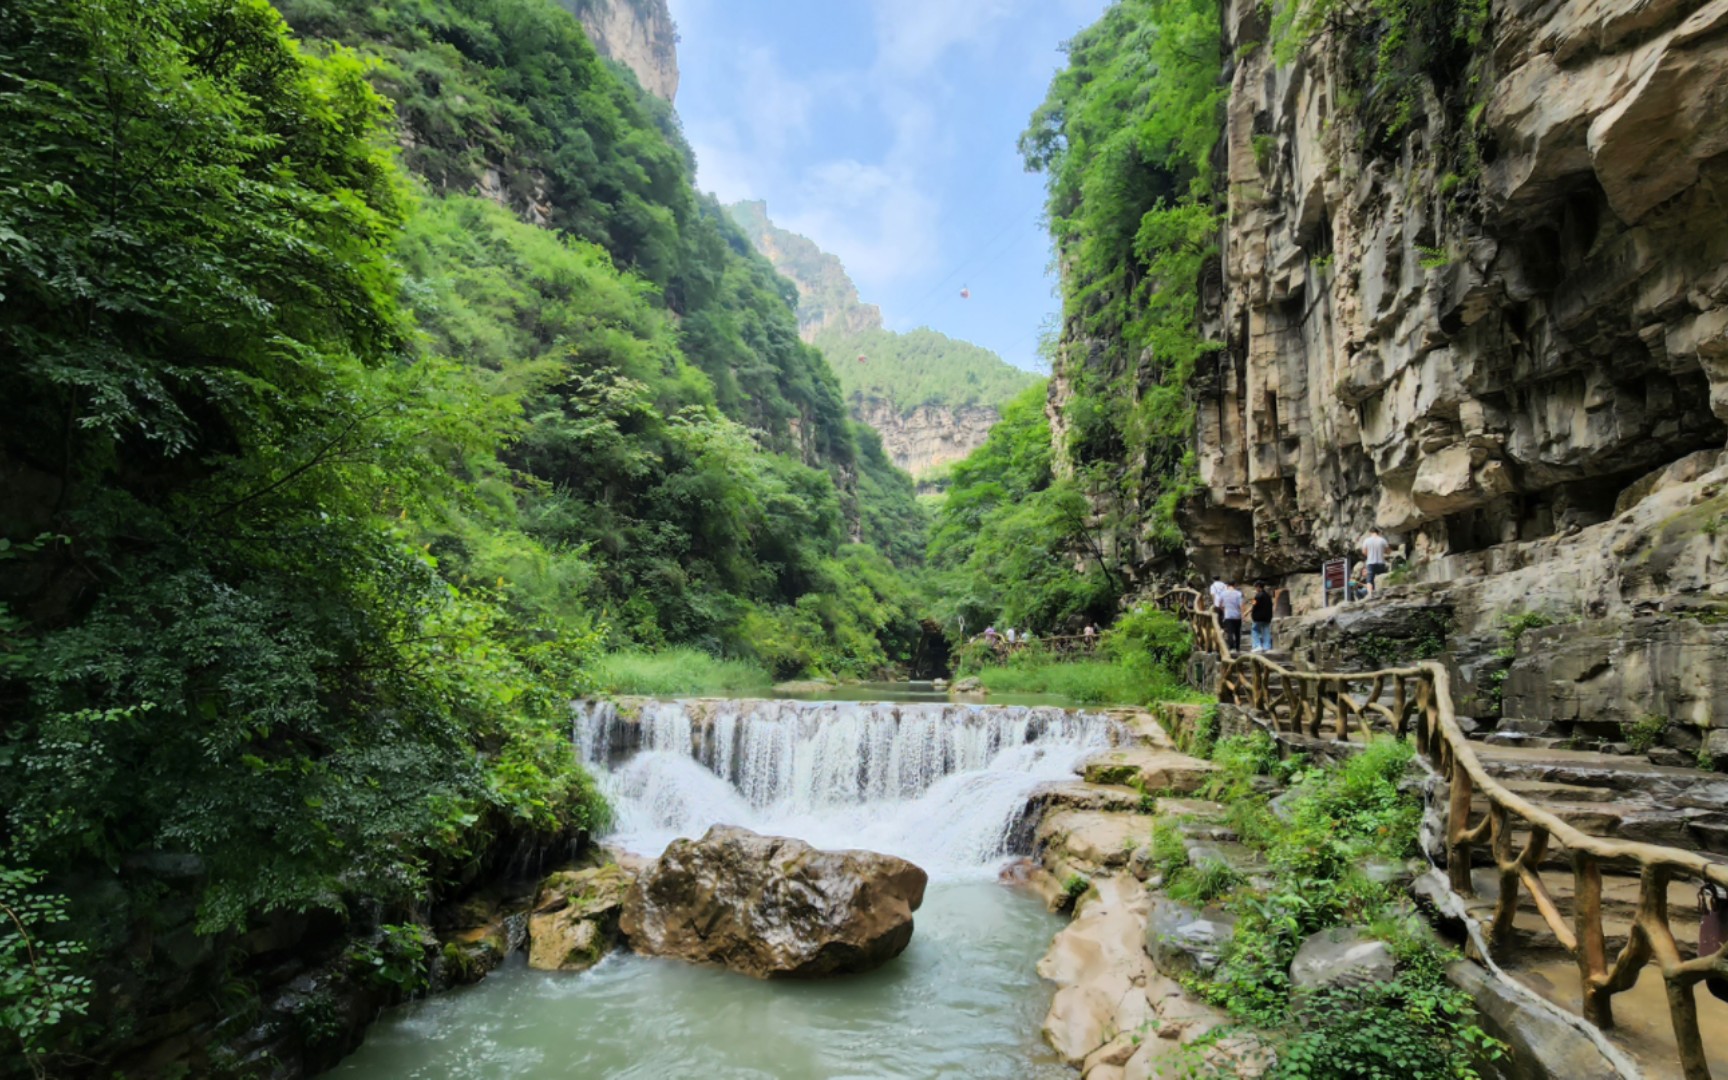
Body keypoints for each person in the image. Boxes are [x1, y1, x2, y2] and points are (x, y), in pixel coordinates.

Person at [1360, 526, 1391, 597]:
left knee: (1369, 580)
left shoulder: (1367, 540)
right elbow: (1389, 551)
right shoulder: (1382, 540)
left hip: (1370, 563)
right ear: (1378, 532)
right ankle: (1383, 594)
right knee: (1382, 578)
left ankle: (1370, 595)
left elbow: (1364, 552)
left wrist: (1370, 554)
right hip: (1381, 562)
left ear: (1370, 532)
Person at [1219, 579, 1245, 654]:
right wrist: (1243, 614)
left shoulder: (1223, 594)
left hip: (1228, 616)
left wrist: (1224, 610)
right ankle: (1237, 648)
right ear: (1234, 585)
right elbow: (1241, 605)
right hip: (1237, 616)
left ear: (1227, 586)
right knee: (1237, 632)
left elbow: (1220, 604)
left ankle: (1231, 647)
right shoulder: (1238, 593)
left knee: (1230, 632)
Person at [1250, 582, 1275, 653]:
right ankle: (1267, 647)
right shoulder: (1268, 596)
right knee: (1266, 631)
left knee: (1255, 630)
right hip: (1267, 617)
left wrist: (1248, 613)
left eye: (1256, 587)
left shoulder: (1257, 596)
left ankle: (1257, 646)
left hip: (1258, 617)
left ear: (1258, 587)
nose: (1255, 589)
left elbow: (1253, 605)